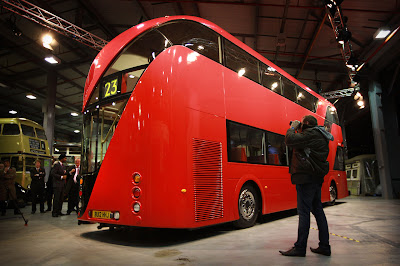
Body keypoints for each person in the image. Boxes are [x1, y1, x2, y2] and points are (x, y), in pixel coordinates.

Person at [279, 115, 334, 257]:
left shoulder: (311, 134)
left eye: (302, 124)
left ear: (307, 124)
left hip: (306, 178)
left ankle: (300, 247)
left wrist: (292, 127)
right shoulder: (320, 135)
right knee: (318, 211)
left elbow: (289, 140)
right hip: (315, 178)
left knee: (304, 212)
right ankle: (324, 246)